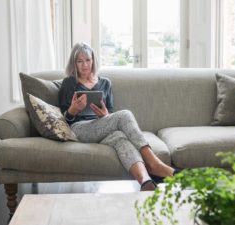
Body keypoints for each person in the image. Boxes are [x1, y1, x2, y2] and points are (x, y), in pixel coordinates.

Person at [58, 42, 175, 191]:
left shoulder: (105, 83)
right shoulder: (69, 83)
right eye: (79, 61)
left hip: (103, 126)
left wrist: (106, 115)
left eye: (87, 60)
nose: (84, 65)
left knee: (120, 137)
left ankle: (145, 181)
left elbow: (111, 114)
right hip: (80, 129)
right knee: (125, 115)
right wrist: (73, 110)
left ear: (93, 61)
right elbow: (65, 120)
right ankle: (154, 163)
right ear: (74, 63)